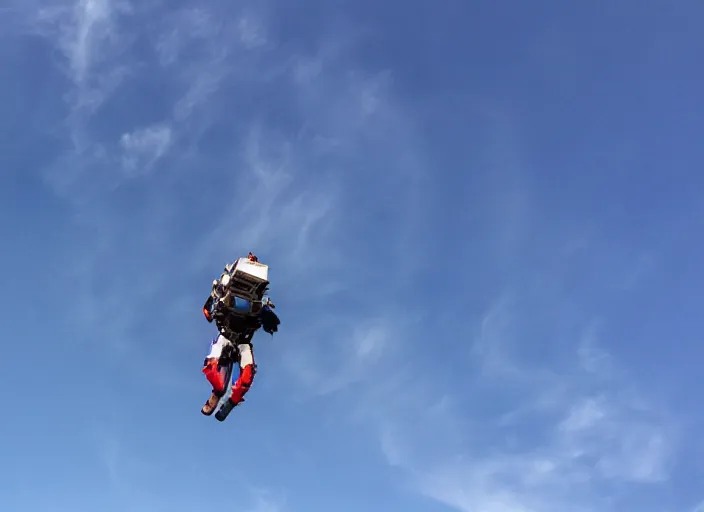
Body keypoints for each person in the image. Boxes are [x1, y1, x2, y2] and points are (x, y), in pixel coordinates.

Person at [200, 252, 280, 421]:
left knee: (246, 376)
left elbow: (271, 321)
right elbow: (207, 311)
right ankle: (217, 392)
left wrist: (268, 319)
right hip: (226, 335)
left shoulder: (259, 305)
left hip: (243, 340)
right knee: (212, 369)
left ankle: (231, 402)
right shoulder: (222, 292)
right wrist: (213, 304)